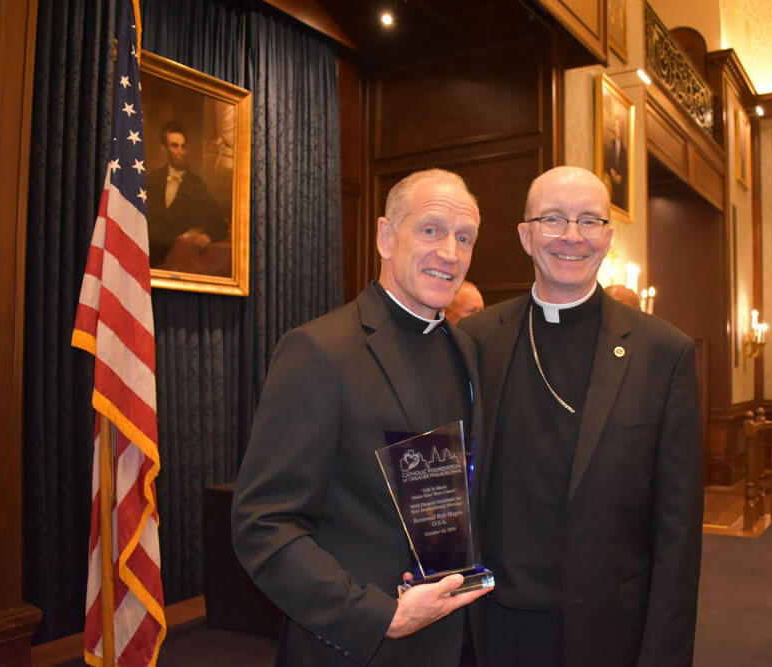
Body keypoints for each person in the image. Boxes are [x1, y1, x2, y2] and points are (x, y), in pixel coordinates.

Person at [231, 168, 492, 666]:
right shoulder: (319, 350)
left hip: (455, 641)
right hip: (359, 647)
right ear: (386, 237)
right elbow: (263, 523)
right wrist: (379, 617)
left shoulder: (467, 351)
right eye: (431, 230)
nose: (451, 254)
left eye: (465, 238)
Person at [459, 166, 703, 666]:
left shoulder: (663, 352)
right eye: (554, 219)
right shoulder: (476, 340)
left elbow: (678, 532)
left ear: (609, 238)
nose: (572, 236)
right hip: (496, 624)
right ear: (526, 236)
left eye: (590, 221)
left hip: (609, 630)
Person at [146, 121, 229, 268]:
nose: (180, 151)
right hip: (148, 260)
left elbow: (219, 224)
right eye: (174, 146)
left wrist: (207, 235)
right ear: (164, 149)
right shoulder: (151, 181)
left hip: (178, 262)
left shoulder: (197, 186)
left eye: (183, 146)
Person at [603, 113, 629, 210]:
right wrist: (611, 172)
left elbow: (625, 168)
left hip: (620, 186)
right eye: (616, 127)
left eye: (619, 127)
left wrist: (620, 177)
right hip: (610, 181)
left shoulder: (624, 150)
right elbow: (606, 162)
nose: (617, 129)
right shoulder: (610, 144)